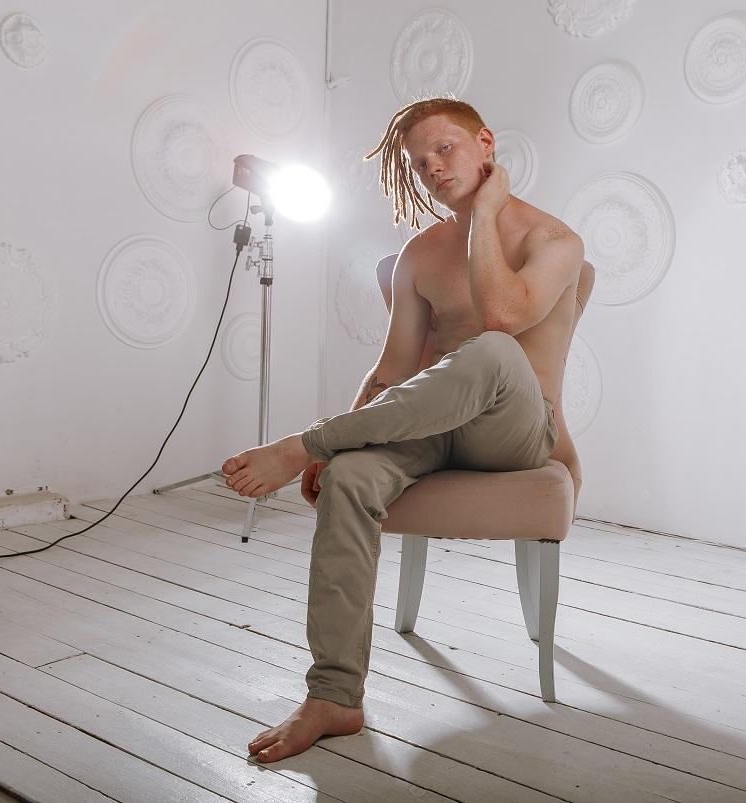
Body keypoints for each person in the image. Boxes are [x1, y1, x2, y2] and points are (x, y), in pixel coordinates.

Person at [220, 98, 585, 763]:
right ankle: (334, 696)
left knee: (491, 349)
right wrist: (340, 449)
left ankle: (305, 440)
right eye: (418, 164)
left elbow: (503, 316)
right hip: (434, 425)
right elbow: (392, 370)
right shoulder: (421, 253)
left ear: (485, 143)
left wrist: (485, 214)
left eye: (445, 149)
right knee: (351, 475)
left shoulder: (554, 240)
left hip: (515, 433)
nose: (432, 169)